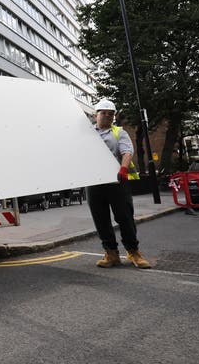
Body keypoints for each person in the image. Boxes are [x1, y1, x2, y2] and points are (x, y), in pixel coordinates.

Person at [88, 99, 151, 269]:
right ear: (96, 115)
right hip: (94, 182)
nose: (108, 116)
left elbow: (127, 152)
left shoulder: (119, 132)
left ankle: (133, 252)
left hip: (117, 182)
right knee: (100, 219)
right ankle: (111, 253)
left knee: (124, 217)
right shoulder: (87, 133)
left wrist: (123, 169)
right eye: (104, 113)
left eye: (111, 114)